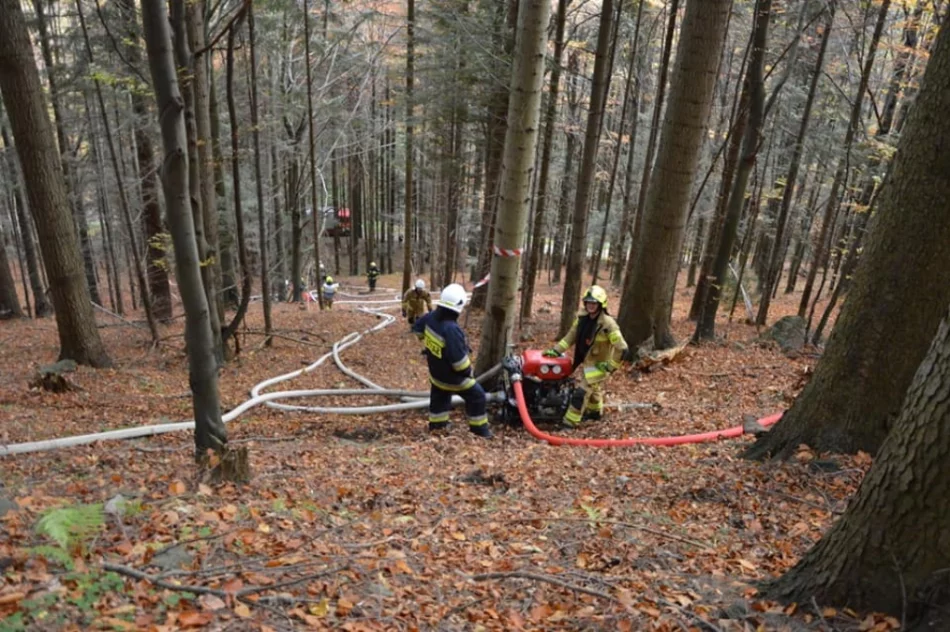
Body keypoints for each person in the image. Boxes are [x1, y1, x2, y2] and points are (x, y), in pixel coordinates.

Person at [412, 283, 492, 438]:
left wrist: (429, 345)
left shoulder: (430, 317)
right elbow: (459, 363)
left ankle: (437, 426)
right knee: (477, 396)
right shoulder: (451, 329)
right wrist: (468, 372)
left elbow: (417, 328)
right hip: (452, 378)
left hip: (436, 375)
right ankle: (480, 430)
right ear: (459, 305)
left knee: (439, 398)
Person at [544, 285, 628, 428]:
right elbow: (570, 336)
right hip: (588, 362)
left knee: (581, 393)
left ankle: (569, 423)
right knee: (594, 390)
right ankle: (595, 413)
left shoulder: (608, 324)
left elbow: (622, 348)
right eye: (588, 302)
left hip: (599, 366)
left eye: (594, 303)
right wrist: (556, 350)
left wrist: (611, 366)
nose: (590, 305)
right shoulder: (582, 319)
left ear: (601, 304)